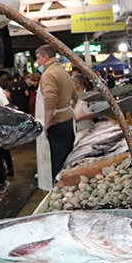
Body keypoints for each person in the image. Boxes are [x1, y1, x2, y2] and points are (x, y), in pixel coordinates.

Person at [34, 44, 78, 181]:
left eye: (38, 58)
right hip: (67, 122)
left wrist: (47, 123)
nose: (37, 62)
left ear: (46, 57)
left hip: (57, 125)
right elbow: (75, 96)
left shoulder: (49, 74)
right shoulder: (63, 71)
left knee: (56, 164)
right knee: (66, 161)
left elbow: (50, 99)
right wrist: (67, 110)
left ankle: (57, 192)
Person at [71, 74, 96, 141]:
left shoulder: (89, 96)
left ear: (77, 83)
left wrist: (80, 117)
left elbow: (96, 113)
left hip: (87, 131)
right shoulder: (73, 96)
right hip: (76, 131)